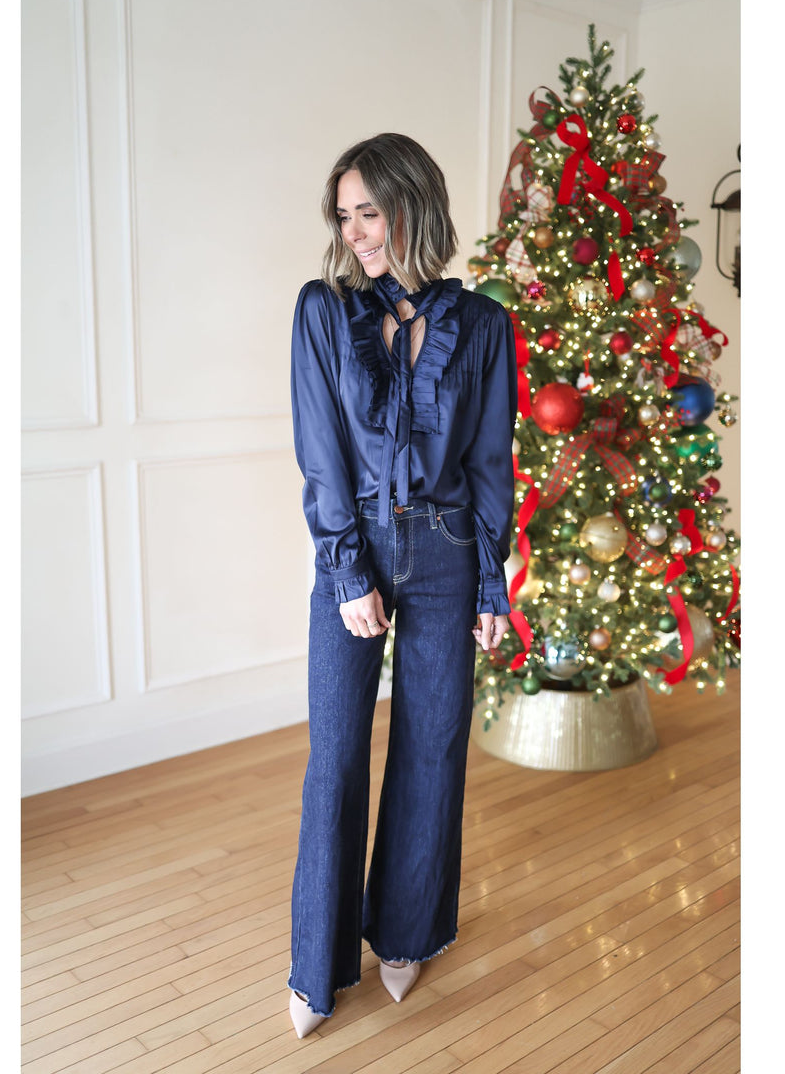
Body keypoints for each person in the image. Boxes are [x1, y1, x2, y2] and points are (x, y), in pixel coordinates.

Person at [286, 132, 518, 1039]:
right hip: (359, 547)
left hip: (449, 550)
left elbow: (493, 461)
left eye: (369, 213)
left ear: (411, 207)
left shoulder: (484, 322)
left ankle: (408, 932)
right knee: (337, 754)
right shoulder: (322, 311)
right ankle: (315, 964)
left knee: (433, 746)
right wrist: (346, 564)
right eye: (344, 216)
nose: (355, 234)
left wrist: (492, 584)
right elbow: (320, 452)